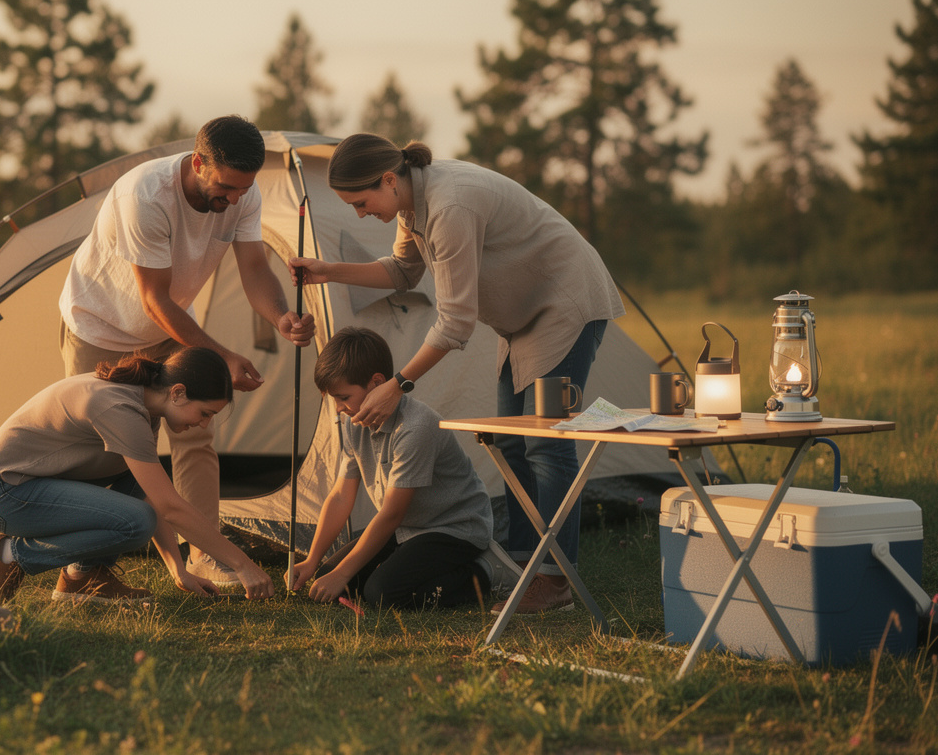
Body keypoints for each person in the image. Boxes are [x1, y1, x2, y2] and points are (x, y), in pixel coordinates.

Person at [287, 134, 624, 614]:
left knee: (546, 444)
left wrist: (397, 385)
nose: (360, 214)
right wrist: (329, 270)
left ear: (388, 180)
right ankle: (525, 566)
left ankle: (554, 581)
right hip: (523, 317)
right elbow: (403, 271)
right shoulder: (410, 205)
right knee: (510, 442)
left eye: (361, 203)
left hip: (564, 302)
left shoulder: (450, 206)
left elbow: (456, 324)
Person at [59, 115, 315, 589]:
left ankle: (205, 556)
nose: (235, 199)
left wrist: (281, 315)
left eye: (243, 189)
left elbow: (254, 268)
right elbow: (154, 300)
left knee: (196, 429)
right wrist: (224, 356)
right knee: (101, 451)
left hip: (171, 326)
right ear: (198, 163)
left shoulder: (243, 195)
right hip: (101, 328)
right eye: (226, 187)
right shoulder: (145, 197)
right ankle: (80, 570)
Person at [0, 347, 275, 604]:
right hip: (3, 493)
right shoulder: (119, 408)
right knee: (136, 522)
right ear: (178, 393)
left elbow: (150, 494)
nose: (204, 424)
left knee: (144, 483)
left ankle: (84, 576)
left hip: (28, 486)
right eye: (205, 413)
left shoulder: (144, 406)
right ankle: (8, 555)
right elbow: (170, 508)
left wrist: (178, 571)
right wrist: (242, 564)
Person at [286, 327, 520, 610]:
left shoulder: (415, 427)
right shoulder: (354, 423)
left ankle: (486, 571)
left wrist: (344, 572)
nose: (338, 408)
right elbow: (340, 496)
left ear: (376, 383)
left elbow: (392, 513)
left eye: (343, 397)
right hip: (406, 528)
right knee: (330, 579)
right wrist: (312, 561)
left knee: (382, 594)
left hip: (452, 527)